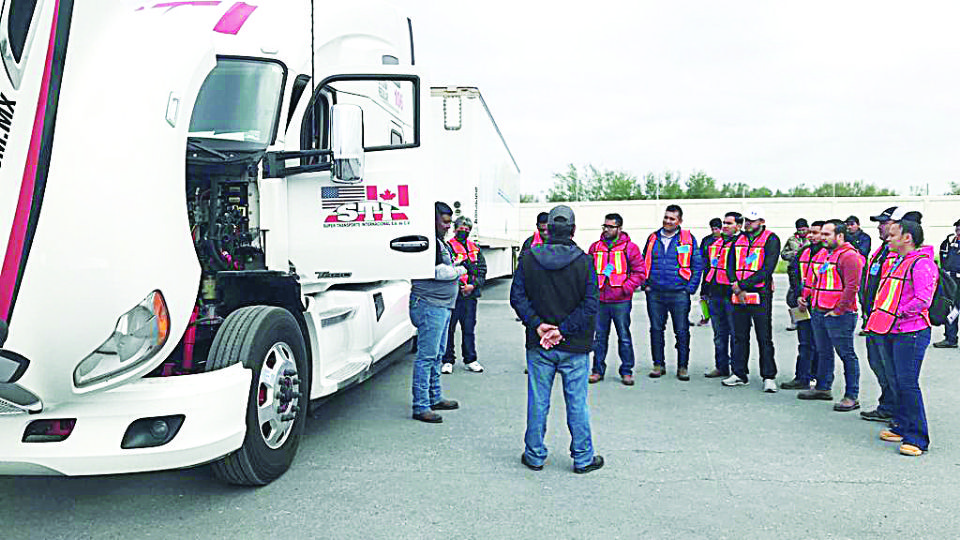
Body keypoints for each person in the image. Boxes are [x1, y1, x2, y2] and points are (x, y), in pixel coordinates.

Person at [510, 205, 604, 474]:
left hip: (540, 344)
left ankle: (534, 454)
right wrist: (562, 330)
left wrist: (539, 326)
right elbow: (590, 305)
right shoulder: (585, 261)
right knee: (577, 402)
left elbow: (517, 297)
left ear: (547, 229)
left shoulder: (528, 259)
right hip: (574, 345)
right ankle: (583, 457)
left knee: (538, 400)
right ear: (573, 230)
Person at [866, 218, 938, 456]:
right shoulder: (897, 261)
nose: (887, 238)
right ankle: (900, 424)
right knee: (895, 380)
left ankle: (917, 438)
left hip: (911, 332)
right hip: (890, 329)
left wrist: (897, 314)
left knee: (907, 383)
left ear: (907, 238)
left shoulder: (922, 264)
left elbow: (922, 300)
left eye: (893, 235)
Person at [859, 207, 923, 422]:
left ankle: (899, 414)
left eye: (885, 223)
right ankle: (889, 405)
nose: (880, 226)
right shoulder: (882, 250)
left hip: (894, 324)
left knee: (895, 373)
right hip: (875, 320)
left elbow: (920, 297)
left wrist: (897, 315)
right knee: (878, 364)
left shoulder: (904, 255)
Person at [797, 219, 864, 411]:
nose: (822, 238)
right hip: (819, 310)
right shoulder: (826, 255)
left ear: (840, 236)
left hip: (839, 315)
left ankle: (852, 395)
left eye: (827, 234)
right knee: (823, 351)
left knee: (847, 355)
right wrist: (805, 297)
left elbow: (852, 287)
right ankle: (823, 387)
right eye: (822, 234)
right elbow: (816, 280)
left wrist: (838, 310)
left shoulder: (849, 256)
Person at [409, 202, 465, 423]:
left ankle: (434, 396)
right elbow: (437, 272)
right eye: (444, 222)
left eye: (450, 222)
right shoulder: (427, 244)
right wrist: (459, 270)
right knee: (427, 355)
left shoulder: (439, 242)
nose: (448, 227)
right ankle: (421, 405)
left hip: (440, 305)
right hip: (430, 305)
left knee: (438, 354)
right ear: (431, 220)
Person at [642, 204, 704, 381]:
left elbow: (697, 265)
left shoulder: (688, 239)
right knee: (656, 329)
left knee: (682, 330)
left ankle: (682, 366)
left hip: (679, 293)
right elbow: (644, 260)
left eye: (672, 218)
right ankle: (658, 364)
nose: (667, 221)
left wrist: (689, 289)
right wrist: (646, 284)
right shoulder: (653, 238)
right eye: (666, 217)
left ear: (679, 221)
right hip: (655, 293)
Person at [722, 208, 781, 392]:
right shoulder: (737, 239)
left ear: (761, 221)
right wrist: (735, 284)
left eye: (752, 220)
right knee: (739, 336)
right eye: (746, 220)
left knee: (764, 337)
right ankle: (739, 373)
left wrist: (743, 285)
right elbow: (729, 264)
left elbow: (767, 268)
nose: (748, 223)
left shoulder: (771, 239)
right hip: (739, 293)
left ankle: (769, 376)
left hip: (760, 293)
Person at [588, 213, 645, 385]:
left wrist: (625, 288)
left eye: (610, 227)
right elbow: (587, 271)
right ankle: (597, 370)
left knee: (624, 337)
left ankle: (626, 371)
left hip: (621, 301)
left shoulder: (630, 248)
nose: (606, 229)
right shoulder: (595, 247)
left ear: (619, 228)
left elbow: (640, 272)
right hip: (600, 301)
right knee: (599, 338)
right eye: (604, 226)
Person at [781, 220, 824, 390]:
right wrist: (798, 294)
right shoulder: (804, 252)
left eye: (816, 233)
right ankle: (802, 377)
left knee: (819, 343)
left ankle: (818, 377)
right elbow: (793, 271)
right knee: (804, 341)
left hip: (819, 304)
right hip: (800, 302)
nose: (812, 236)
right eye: (811, 233)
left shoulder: (828, 253)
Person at [442, 217, 487, 374]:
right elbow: (445, 270)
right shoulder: (447, 248)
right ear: (454, 229)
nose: (464, 231)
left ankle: (471, 359)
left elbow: (482, 270)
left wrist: (472, 286)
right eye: (461, 228)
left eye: (467, 229)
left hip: (470, 295)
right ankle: (447, 360)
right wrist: (461, 287)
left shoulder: (475, 248)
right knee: (449, 328)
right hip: (453, 295)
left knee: (469, 328)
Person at [701, 211, 741, 378]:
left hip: (731, 294)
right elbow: (709, 268)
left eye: (729, 223)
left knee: (735, 333)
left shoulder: (741, 243)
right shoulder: (716, 243)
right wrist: (704, 291)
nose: (725, 226)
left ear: (738, 226)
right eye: (724, 223)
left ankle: (737, 369)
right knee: (719, 333)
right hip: (715, 292)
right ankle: (721, 366)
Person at [933, 218, 960, 348]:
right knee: (951, 308)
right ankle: (950, 338)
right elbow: (943, 260)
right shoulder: (948, 242)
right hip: (952, 281)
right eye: (957, 228)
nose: (958, 231)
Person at [782, 218, 809, 331]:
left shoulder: (812, 239)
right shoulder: (792, 239)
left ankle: (806, 322)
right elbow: (783, 254)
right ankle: (796, 320)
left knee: (805, 296)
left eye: (804, 229)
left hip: (808, 271)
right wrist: (794, 254)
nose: (802, 232)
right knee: (792, 297)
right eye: (799, 230)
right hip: (794, 271)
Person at [697, 218, 723, 326]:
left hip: (721, 273)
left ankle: (721, 318)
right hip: (708, 273)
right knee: (704, 296)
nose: (714, 231)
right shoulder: (706, 240)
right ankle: (705, 317)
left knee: (720, 297)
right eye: (712, 229)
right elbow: (701, 255)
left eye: (716, 229)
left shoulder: (726, 240)